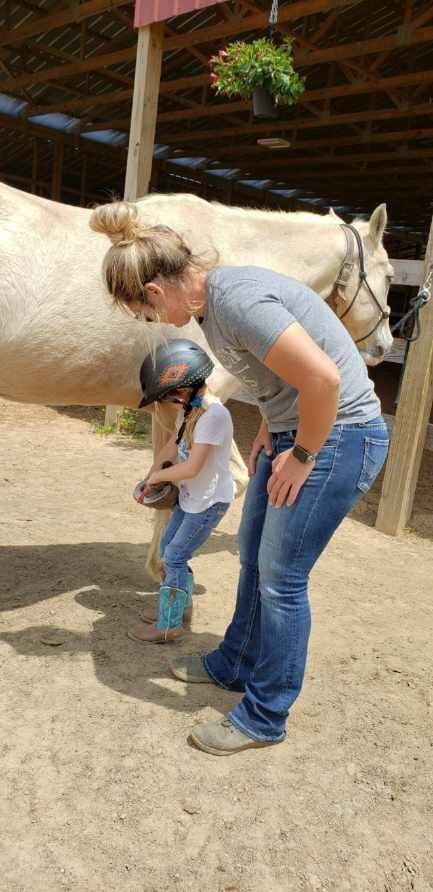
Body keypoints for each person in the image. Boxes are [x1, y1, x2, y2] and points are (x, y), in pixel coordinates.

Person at [90, 202, 389, 756]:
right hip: (296, 433)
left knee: (282, 578)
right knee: (251, 557)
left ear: (154, 292)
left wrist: (300, 452)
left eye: (143, 314)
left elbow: (324, 380)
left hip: (339, 437)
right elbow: (288, 381)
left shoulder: (240, 299)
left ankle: (265, 713)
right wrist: (273, 431)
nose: (152, 325)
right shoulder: (212, 307)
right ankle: (234, 662)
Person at [128, 338, 235, 645]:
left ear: (184, 388)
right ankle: (180, 608)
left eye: (170, 395)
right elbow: (174, 446)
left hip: (209, 502)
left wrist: (162, 475)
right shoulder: (189, 412)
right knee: (167, 550)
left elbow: (192, 468)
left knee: (174, 557)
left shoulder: (213, 416)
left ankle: (169, 624)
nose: (170, 401)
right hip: (191, 498)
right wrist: (149, 478)